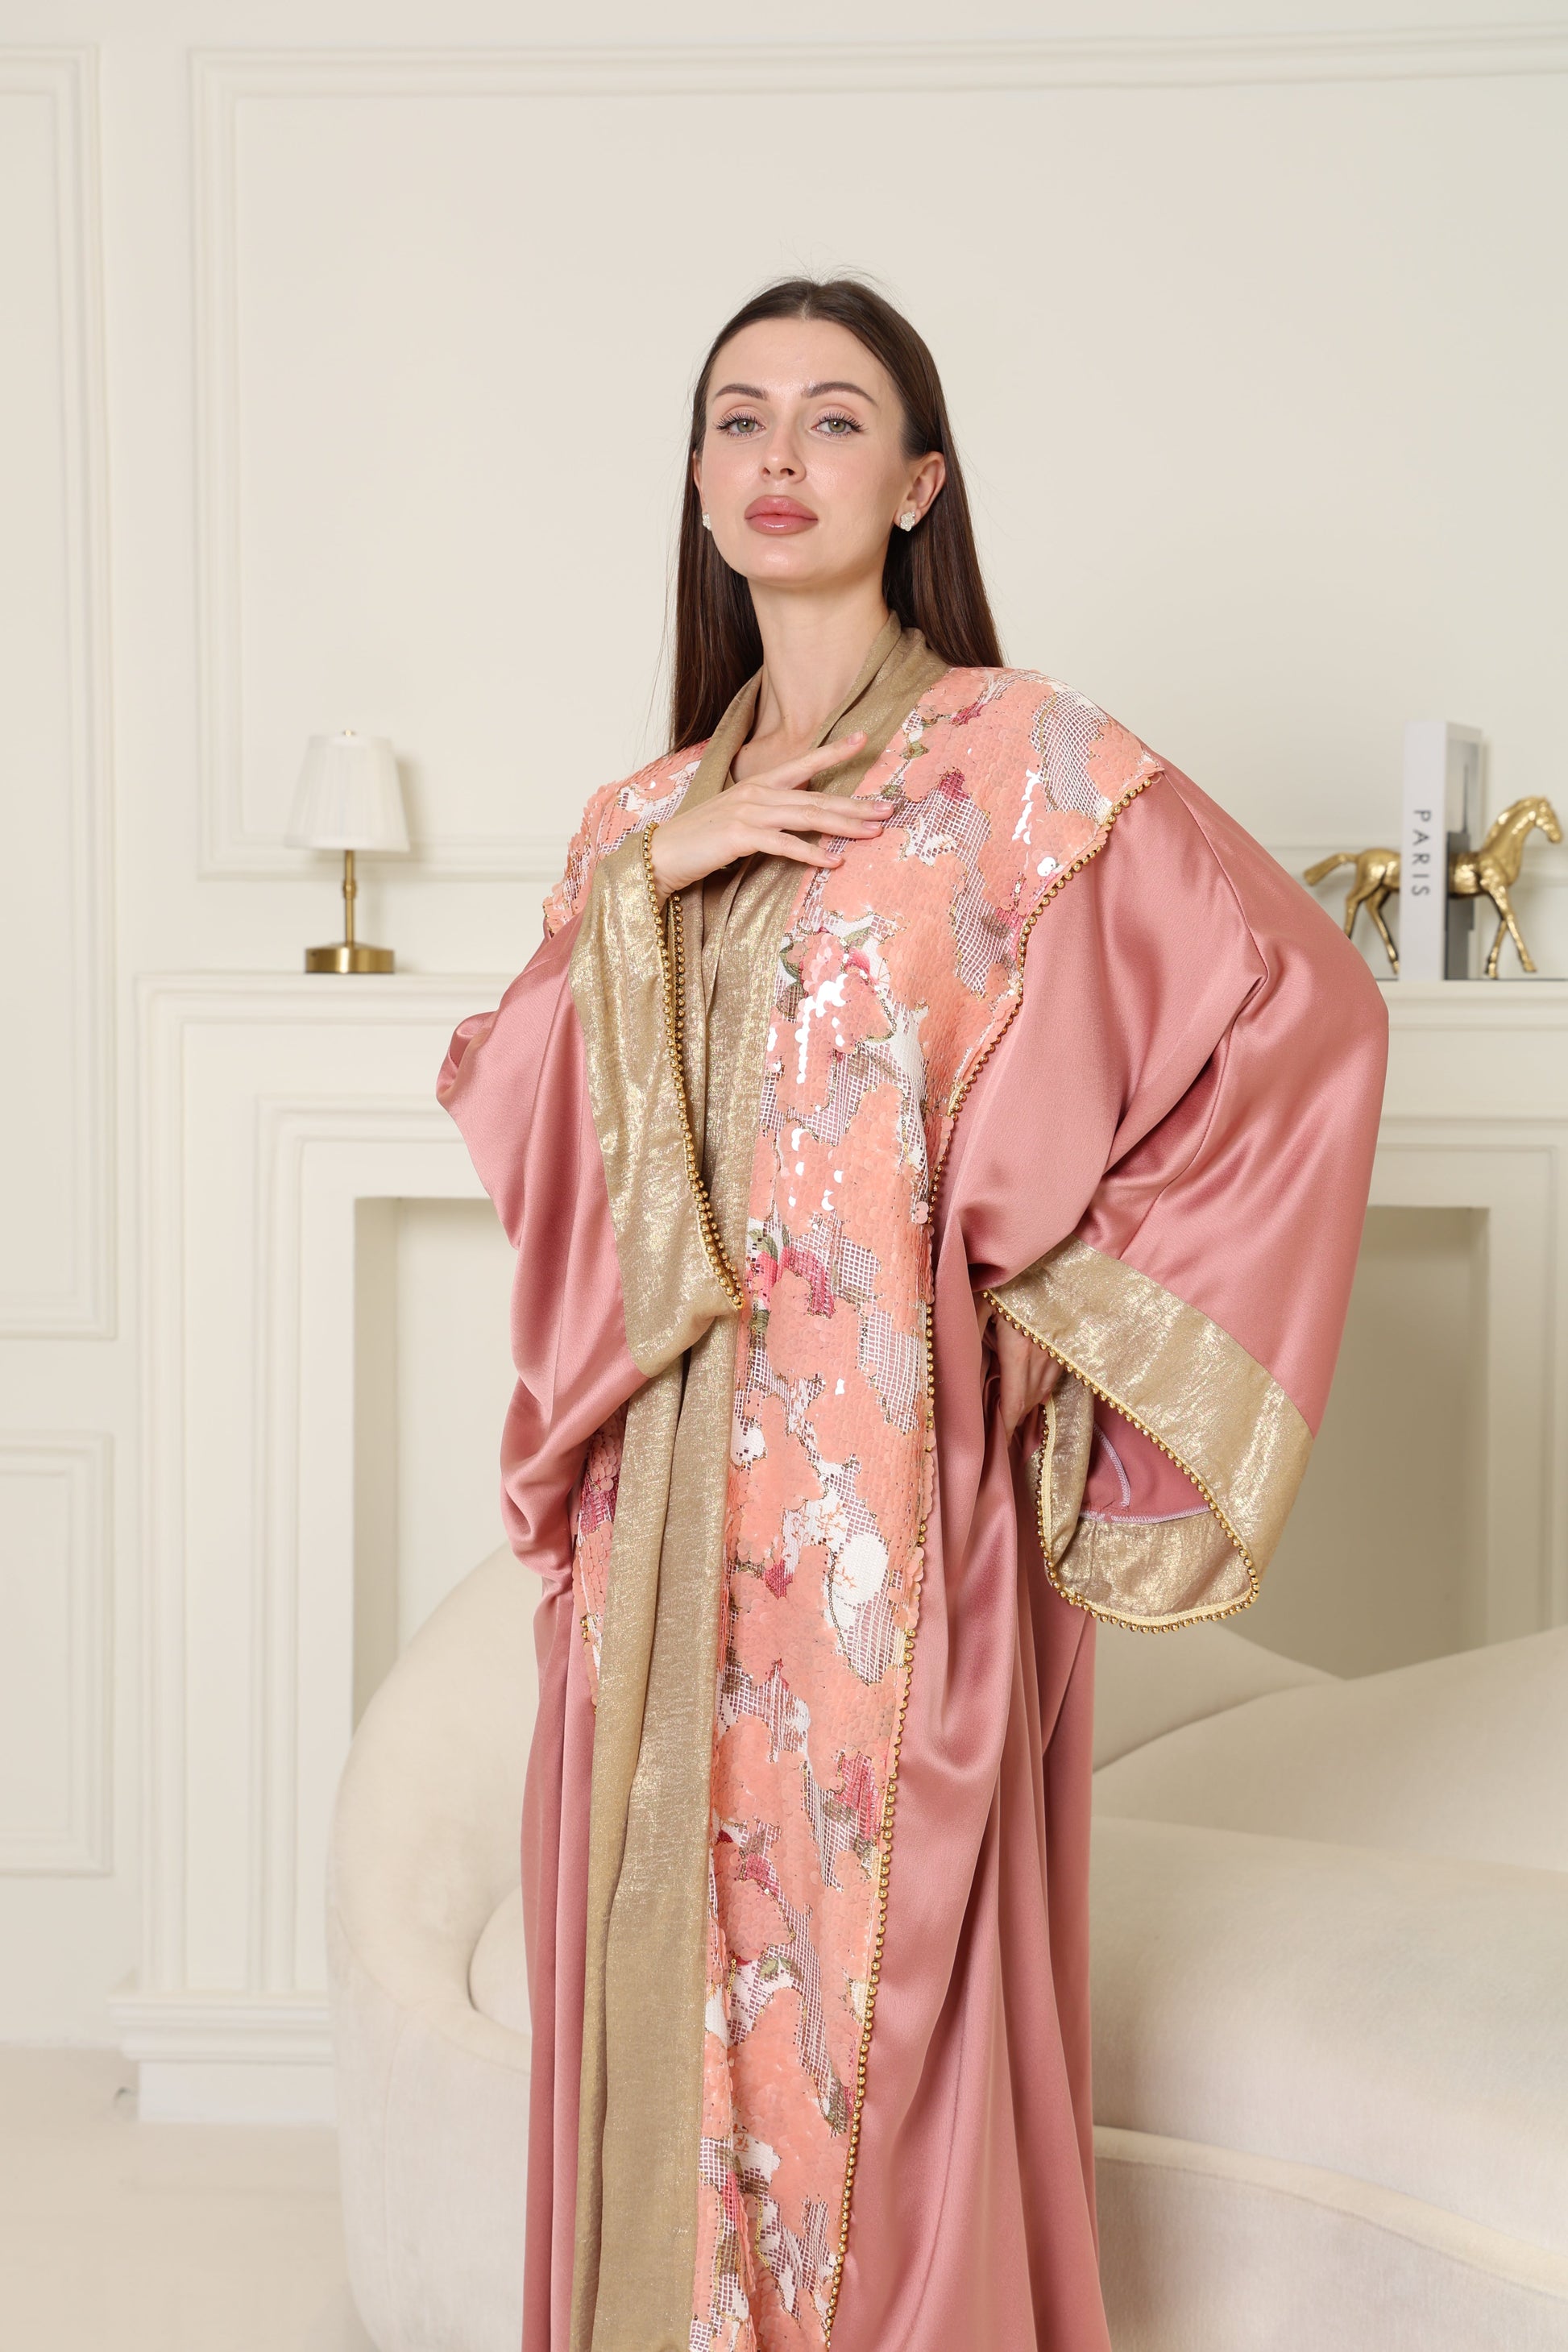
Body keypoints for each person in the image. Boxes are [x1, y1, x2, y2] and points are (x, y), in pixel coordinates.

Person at [438, 276, 1388, 2352]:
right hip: (657, 1525)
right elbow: (511, 1112)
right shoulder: (631, 824)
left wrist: (1029, 1321)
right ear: (699, 483)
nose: (779, 458)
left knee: (885, 1986)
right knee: (669, 1961)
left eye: (836, 418)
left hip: (888, 1507)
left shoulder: (1020, 769)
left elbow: (1294, 1001)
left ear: (920, 482)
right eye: (738, 418)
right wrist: (651, 890)